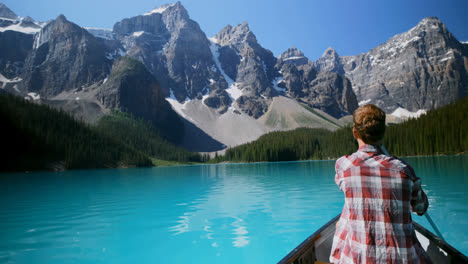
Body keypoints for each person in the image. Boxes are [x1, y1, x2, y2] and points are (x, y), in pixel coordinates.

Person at [330, 104, 432, 264]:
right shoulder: (404, 170)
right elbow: (421, 208)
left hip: (358, 259)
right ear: (383, 134)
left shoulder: (344, 166)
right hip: (401, 260)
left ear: (355, 132)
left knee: (344, 216)